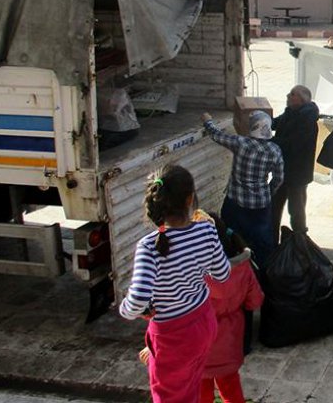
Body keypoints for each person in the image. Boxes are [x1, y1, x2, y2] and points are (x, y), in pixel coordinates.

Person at [120, 165, 231, 403]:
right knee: (190, 383)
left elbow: (138, 297)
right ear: (190, 199)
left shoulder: (149, 246)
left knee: (170, 396)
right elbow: (222, 274)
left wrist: (126, 309)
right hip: (203, 324)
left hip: (172, 336)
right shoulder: (207, 230)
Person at [198, 214, 264, 403]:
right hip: (231, 343)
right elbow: (255, 301)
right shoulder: (243, 266)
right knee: (232, 391)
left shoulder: (192, 274)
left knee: (201, 394)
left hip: (200, 345)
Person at [204, 111, 283, 267]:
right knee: (262, 244)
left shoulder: (240, 143)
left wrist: (208, 121)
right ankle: (262, 275)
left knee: (231, 238)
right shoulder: (275, 150)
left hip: (235, 203)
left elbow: (216, 134)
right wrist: (267, 191)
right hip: (261, 204)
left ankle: (236, 271)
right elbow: (279, 178)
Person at [271, 85, 319, 242]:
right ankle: (271, 242)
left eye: (292, 94)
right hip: (283, 170)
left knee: (296, 211)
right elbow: (274, 123)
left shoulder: (307, 120)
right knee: (273, 207)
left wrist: (270, 142)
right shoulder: (290, 112)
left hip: (297, 174)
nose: (288, 96)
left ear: (302, 99)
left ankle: (300, 244)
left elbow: (294, 144)